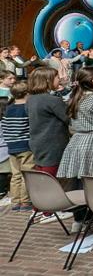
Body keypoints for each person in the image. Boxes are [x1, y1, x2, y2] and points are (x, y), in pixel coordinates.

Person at [26, 67, 69, 180]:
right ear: (47, 80)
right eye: (57, 77)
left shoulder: (31, 99)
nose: (59, 79)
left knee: (43, 179)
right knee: (53, 180)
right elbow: (69, 118)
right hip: (53, 146)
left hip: (38, 144)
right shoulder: (52, 100)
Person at [2, 82, 34, 211]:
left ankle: (15, 202)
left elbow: (5, 126)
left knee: (15, 175)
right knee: (27, 174)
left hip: (12, 146)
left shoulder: (8, 108)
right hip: (25, 146)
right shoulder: (27, 108)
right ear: (27, 93)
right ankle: (25, 202)